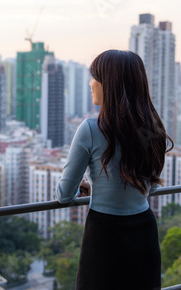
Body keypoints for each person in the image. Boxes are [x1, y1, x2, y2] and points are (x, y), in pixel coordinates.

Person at [55, 49, 173, 289]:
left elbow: (64, 194)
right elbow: (146, 188)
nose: (91, 83)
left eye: (95, 77)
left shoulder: (89, 129)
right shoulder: (152, 130)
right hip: (144, 231)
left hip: (104, 235)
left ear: (110, 84)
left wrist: (90, 185)